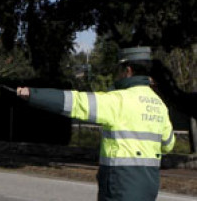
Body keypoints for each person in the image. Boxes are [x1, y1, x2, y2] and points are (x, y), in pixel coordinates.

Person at [16, 47, 175, 201]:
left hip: (121, 185)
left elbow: (78, 103)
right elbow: (168, 145)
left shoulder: (118, 100)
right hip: (149, 186)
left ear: (128, 71)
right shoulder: (159, 105)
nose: (118, 75)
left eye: (120, 70)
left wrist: (33, 94)